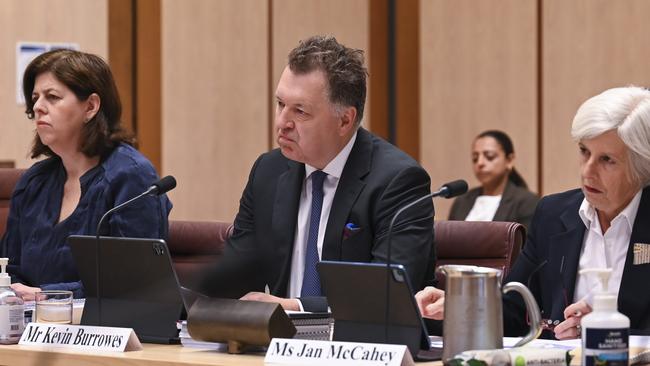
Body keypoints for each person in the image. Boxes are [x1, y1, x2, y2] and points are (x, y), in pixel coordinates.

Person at [200, 35, 434, 312]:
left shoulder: (397, 181)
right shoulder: (268, 172)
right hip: (273, 346)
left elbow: (385, 296)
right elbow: (234, 276)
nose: (282, 123)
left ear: (345, 120)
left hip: (356, 348)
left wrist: (294, 307)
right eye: (280, 104)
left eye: (299, 111)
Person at [416, 86, 650, 338]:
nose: (587, 172)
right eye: (584, 152)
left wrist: (605, 333)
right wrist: (462, 307)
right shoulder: (553, 214)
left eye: (607, 160)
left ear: (641, 165)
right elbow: (514, 311)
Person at [1, 49, 172, 299]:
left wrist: (48, 296)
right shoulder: (34, 182)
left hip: (109, 331)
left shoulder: (131, 177)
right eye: (35, 97)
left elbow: (134, 282)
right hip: (31, 329)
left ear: (90, 106)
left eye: (52, 97)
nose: (37, 107)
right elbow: (9, 268)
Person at [448, 130, 539, 228]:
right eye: (475, 158)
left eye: (489, 156)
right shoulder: (462, 201)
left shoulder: (527, 202)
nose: (480, 163)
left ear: (509, 160)